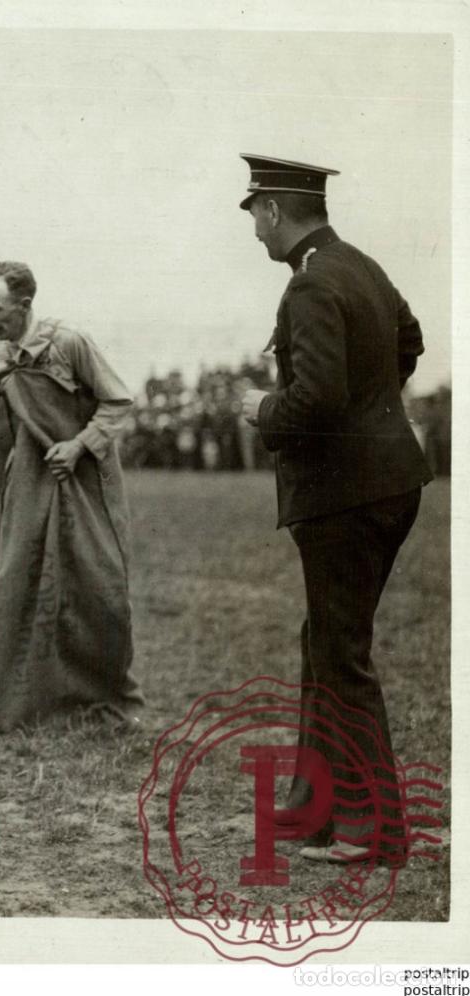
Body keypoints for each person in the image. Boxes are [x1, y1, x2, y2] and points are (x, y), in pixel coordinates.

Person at [237, 155, 433, 864]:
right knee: (324, 641)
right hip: (387, 485)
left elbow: (314, 397)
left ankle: (373, 830)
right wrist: (372, 414)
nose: (254, 228)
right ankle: (311, 811)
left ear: (273, 212)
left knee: (340, 653)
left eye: (254, 213)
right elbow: (408, 343)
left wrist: (261, 409)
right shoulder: (363, 267)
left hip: (345, 497)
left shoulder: (311, 285)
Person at [0, 259, 143, 732]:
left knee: (100, 591)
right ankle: (23, 701)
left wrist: (80, 445)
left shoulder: (70, 343)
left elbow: (117, 401)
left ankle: (102, 698)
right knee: (12, 586)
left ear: (25, 304)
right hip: (28, 481)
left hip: (86, 481)